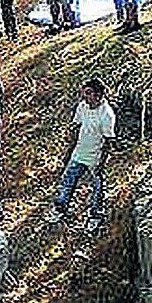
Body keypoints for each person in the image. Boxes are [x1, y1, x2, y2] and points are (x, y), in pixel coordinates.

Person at [55, 78, 116, 229]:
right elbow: (76, 127)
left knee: (97, 188)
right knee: (68, 181)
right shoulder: (82, 106)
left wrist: (101, 163)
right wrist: (69, 151)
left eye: (88, 93)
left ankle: (95, 215)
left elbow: (108, 142)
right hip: (79, 153)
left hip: (94, 157)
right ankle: (61, 208)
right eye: (84, 93)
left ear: (98, 94)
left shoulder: (106, 115)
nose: (84, 96)